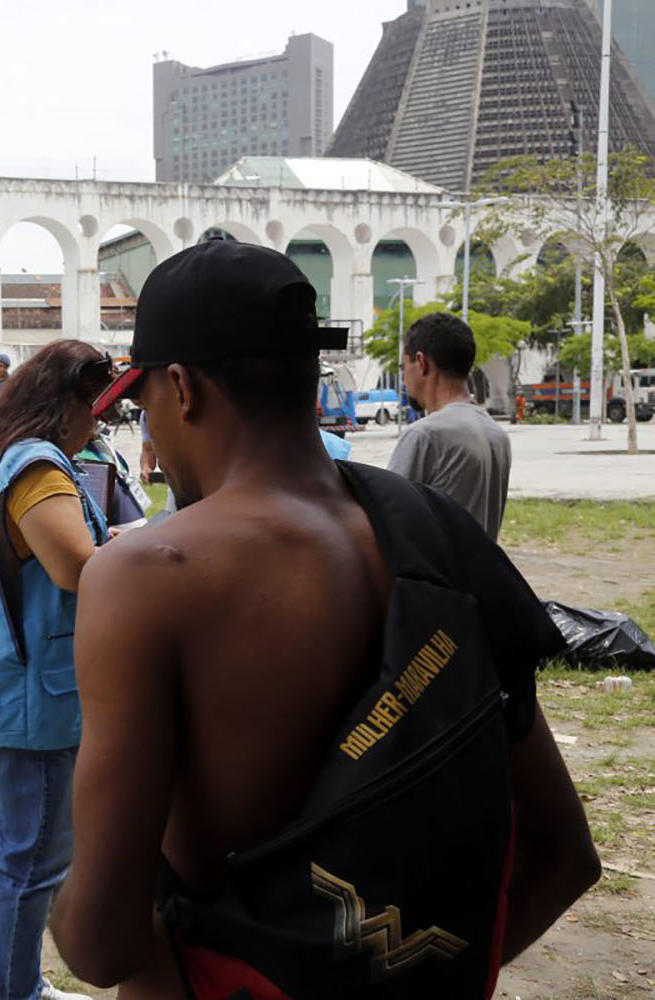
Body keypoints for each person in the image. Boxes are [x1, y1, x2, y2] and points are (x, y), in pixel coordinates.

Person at [49, 241, 599, 998]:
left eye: (142, 409)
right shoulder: (439, 535)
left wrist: (55, 908)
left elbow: (101, 947)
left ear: (182, 388)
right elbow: (568, 858)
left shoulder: (147, 577)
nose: (147, 437)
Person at [0, 339, 113, 1000]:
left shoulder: (1, 460)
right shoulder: (37, 465)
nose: (96, 420)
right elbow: (76, 566)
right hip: (39, 698)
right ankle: (15, 994)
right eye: (91, 406)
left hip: (17, 691)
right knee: (31, 861)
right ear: (65, 402)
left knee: (24, 853)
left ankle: (20, 987)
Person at [390, 311, 512, 540]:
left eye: (402, 368)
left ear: (421, 362)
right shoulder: (497, 435)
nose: (404, 381)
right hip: (479, 576)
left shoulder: (425, 435)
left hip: (435, 576)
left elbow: (387, 524)